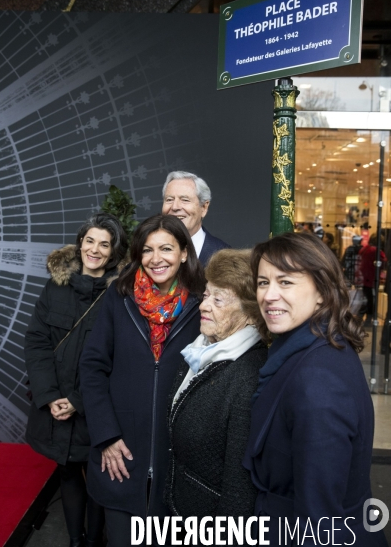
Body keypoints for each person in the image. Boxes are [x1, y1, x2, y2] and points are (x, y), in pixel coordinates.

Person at [243, 232, 388, 547]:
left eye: (286, 282)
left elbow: (319, 520)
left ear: (322, 292)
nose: (268, 295)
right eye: (263, 282)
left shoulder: (317, 380)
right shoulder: (311, 347)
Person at [79, 214, 205, 547]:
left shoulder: (203, 302)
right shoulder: (119, 297)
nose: (155, 258)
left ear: (183, 253)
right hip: (122, 457)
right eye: (147, 250)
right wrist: (106, 435)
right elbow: (92, 367)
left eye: (166, 248)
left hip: (178, 464)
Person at [25, 213, 128, 547]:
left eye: (104, 244)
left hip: (92, 408)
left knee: (99, 474)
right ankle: (75, 539)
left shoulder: (122, 295)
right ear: (80, 242)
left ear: (113, 252)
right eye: (89, 240)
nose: (94, 250)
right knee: (67, 472)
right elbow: (37, 341)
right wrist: (51, 395)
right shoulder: (55, 286)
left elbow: (120, 360)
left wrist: (79, 401)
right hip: (56, 406)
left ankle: (95, 540)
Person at [166, 249, 267, 526]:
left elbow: (239, 488)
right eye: (206, 295)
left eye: (218, 299)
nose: (203, 305)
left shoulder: (247, 376)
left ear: (250, 313)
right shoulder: (202, 350)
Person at [162, 170, 230, 266]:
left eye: (185, 200)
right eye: (169, 200)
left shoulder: (225, 257)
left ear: (204, 208)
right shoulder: (147, 254)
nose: (174, 207)